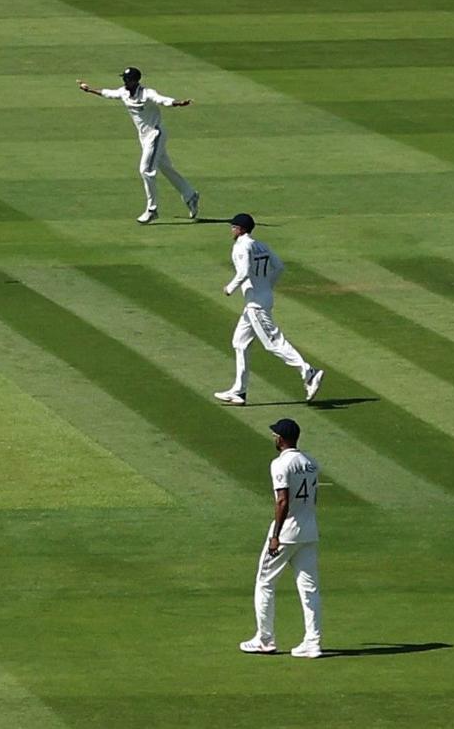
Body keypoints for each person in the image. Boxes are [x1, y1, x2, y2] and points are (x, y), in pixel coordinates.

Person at [215, 213, 324, 404]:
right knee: (239, 342)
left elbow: (243, 271)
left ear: (241, 229)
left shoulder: (242, 246)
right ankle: (239, 392)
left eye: (233, 227)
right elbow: (279, 267)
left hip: (256, 304)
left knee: (273, 342)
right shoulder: (261, 245)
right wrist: (266, 286)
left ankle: (309, 373)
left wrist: (229, 288)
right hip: (261, 299)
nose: (231, 230)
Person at [242, 417, 325, 657]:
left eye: (276, 435)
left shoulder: (280, 464)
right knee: (309, 589)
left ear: (282, 439)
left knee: (265, 583)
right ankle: (313, 642)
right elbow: (313, 498)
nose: (274, 438)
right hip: (308, 531)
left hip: (286, 532)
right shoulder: (311, 462)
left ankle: (264, 639)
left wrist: (275, 536)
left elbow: (282, 501)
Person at [81, 67, 200, 223]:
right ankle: (190, 195)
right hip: (144, 137)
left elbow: (161, 99)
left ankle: (152, 209)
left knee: (146, 170)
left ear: (135, 81)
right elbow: (108, 93)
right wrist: (89, 90)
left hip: (155, 134)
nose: (125, 82)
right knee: (166, 167)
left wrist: (177, 103)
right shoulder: (123, 92)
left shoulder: (147, 93)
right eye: (124, 79)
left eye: (127, 80)